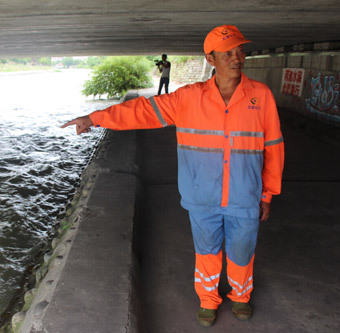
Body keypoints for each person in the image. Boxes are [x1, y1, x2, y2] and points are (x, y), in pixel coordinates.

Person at [61, 25, 284, 327]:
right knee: (207, 251)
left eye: (240, 50)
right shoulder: (189, 98)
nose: (237, 57)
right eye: (228, 52)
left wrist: (268, 193)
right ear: (211, 58)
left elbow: (273, 147)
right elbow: (140, 111)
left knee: (242, 250)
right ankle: (208, 300)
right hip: (202, 196)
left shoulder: (261, 96)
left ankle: (241, 296)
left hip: (245, 195)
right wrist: (96, 118)